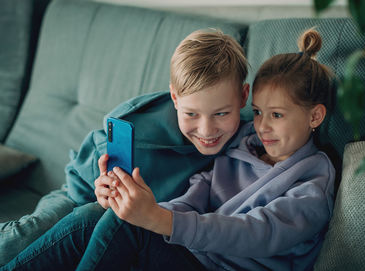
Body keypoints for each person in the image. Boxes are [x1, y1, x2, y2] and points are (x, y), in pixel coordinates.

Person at [1, 28, 336, 271]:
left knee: (126, 224)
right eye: (260, 113)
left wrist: (160, 220)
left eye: (276, 115)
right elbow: (197, 192)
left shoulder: (312, 184)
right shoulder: (244, 144)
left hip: (214, 262)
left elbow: (254, 233)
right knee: (99, 215)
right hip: (186, 249)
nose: (262, 125)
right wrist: (141, 207)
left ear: (315, 116)